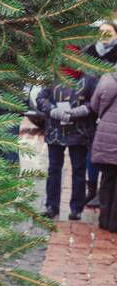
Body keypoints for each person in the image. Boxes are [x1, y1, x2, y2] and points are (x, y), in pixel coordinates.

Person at [36, 63, 98, 221]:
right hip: (55, 131)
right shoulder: (52, 75)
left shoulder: (89, 78)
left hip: (79, 131)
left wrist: (83, 110)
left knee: (78, 169)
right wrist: (52, 110)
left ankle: (76, 208)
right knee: (54, 169)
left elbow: (96, 100)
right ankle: (51, 206)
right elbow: (40, 98)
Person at [83, 22, 117, 206]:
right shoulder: (90, 51)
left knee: (108, 151)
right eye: (101, 32)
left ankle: (104, 190)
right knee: (92, 150)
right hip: (91, 104)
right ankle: (91, 187)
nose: (105, 35)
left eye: (109, 32)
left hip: (110, 108)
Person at [90, 69, 117, 232]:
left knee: (107, 179)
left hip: (105, 137)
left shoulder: (106, 79)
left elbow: (94, 105)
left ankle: (103, 220)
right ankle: (115, 223)